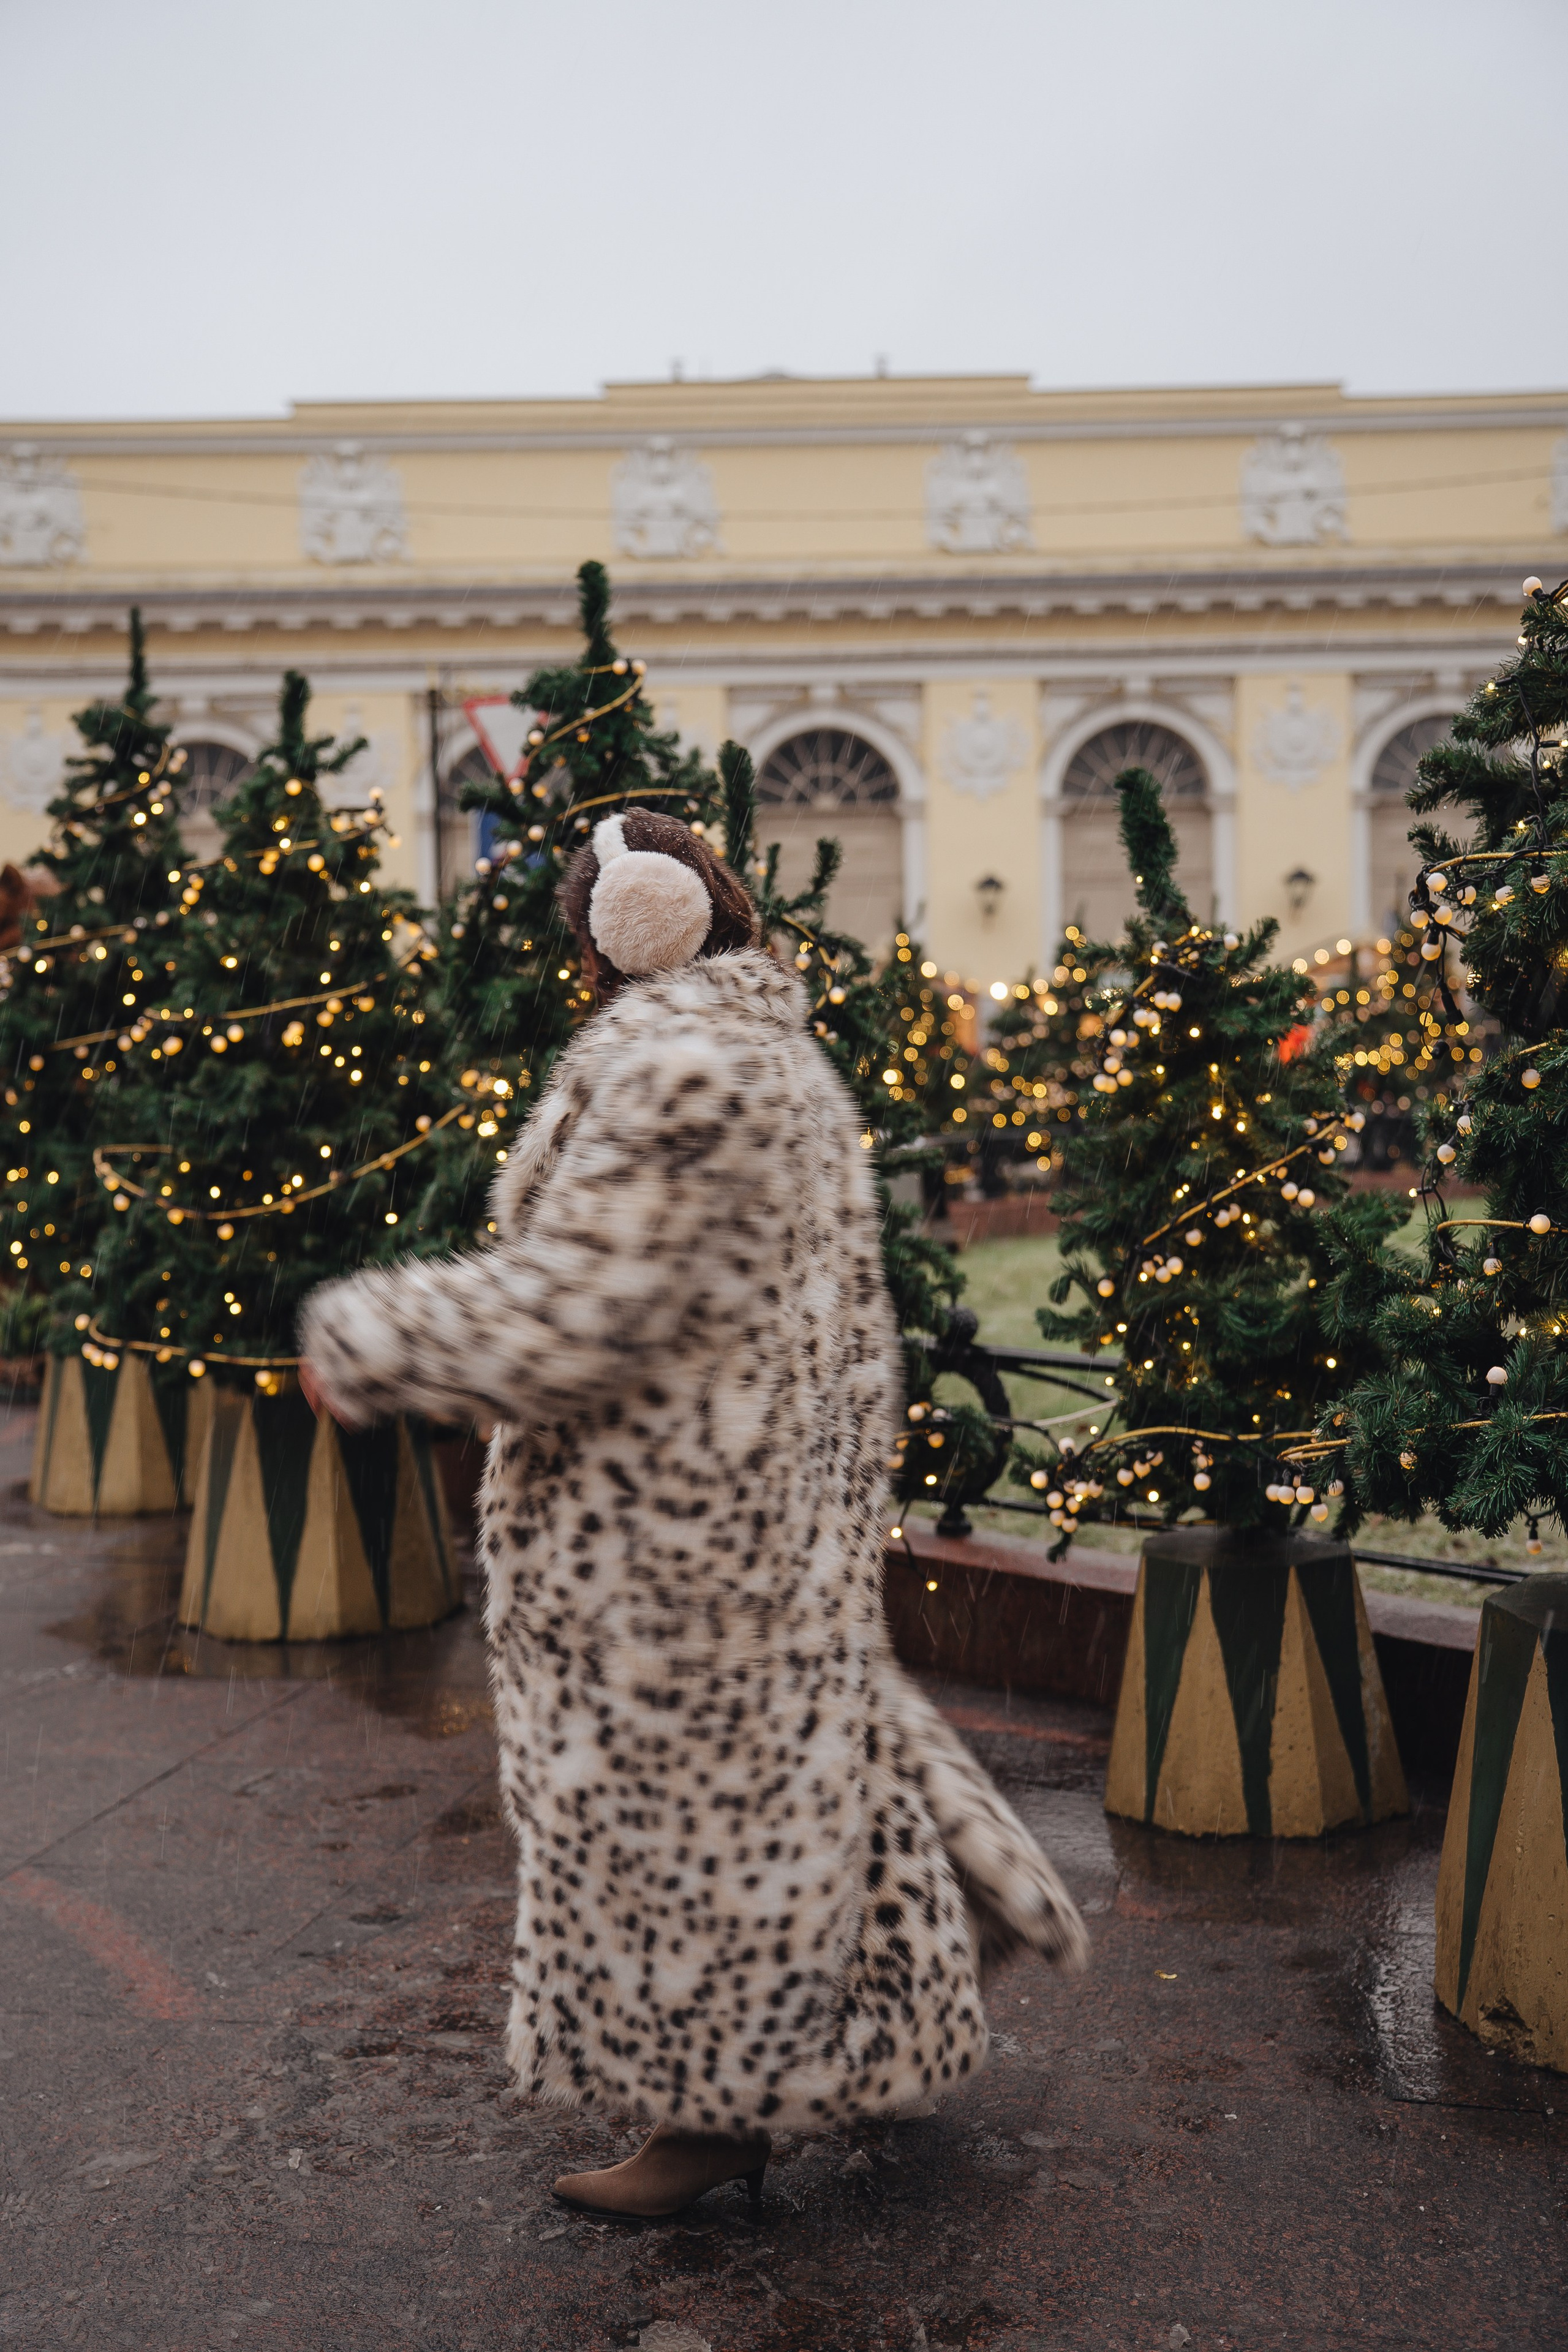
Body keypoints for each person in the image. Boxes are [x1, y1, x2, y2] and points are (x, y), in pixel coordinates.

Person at [298, 807, 1087, 2218]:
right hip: (749, 1511)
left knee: (683, 1833)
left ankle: (713, 2113)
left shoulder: (678, 1070)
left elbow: (577, 1308)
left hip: (659, 1540)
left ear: (618, 934)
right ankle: (924, 1960)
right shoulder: (772, 1058)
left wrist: (368, 1332)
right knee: (792, 1775)